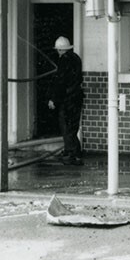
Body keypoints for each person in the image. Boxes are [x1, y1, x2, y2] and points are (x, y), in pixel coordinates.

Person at [47, 35, 84, 166]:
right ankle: (76, 153)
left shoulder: (64, 60)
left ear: (61, 50)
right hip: (76, 97)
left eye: (58, 50)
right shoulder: (76, 58)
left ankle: (70, 154)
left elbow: (60, 82)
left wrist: (53, 99)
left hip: (67, 99)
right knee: (73, 127)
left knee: (66, 127)